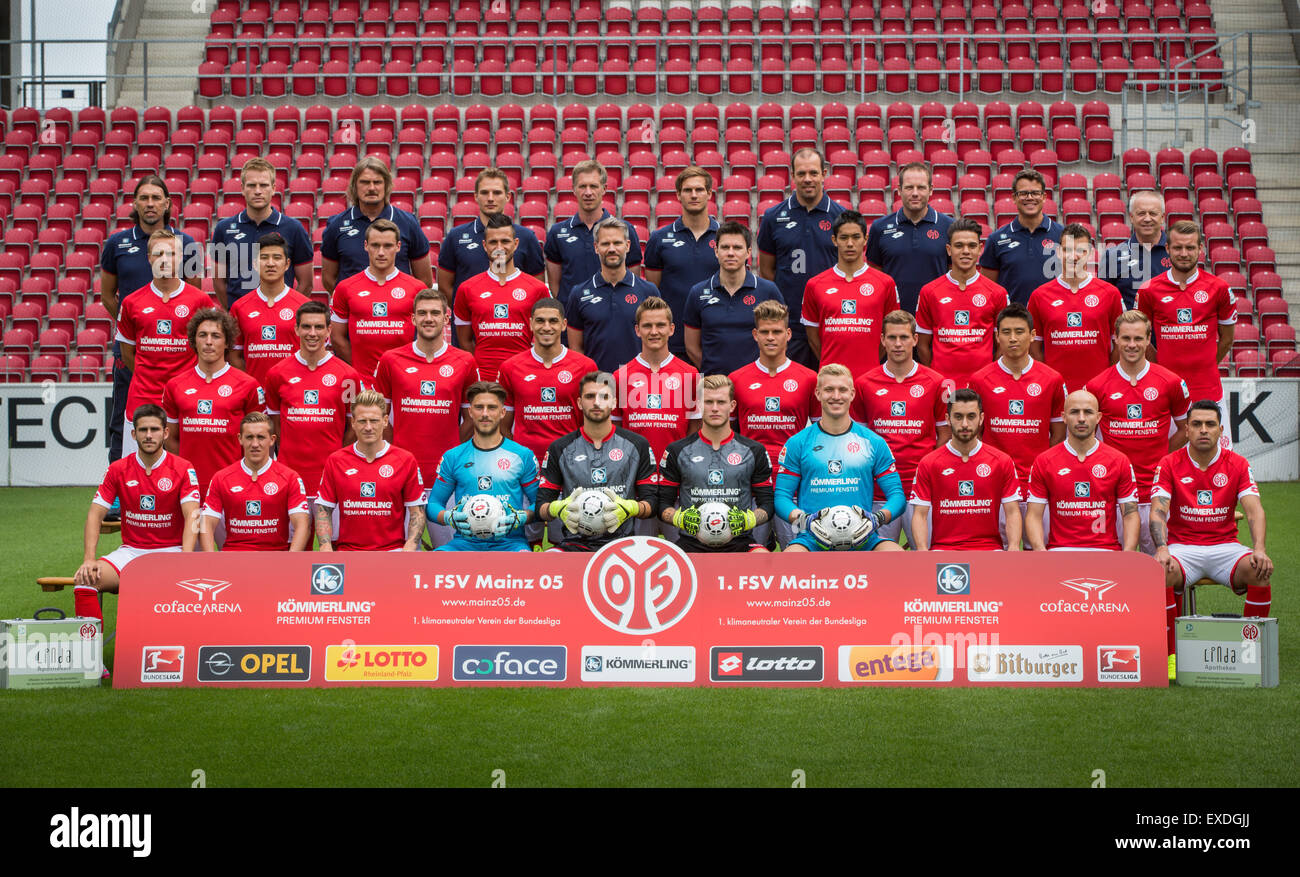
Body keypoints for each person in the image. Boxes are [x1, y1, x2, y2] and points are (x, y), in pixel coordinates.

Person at [1151, 401, 1272, 677]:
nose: (1203, 430)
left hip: (1225, 548)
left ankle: (1252, 651)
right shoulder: (1169, 463)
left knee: (1261, 571)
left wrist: (1260, 549)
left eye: (1210, 424)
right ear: (1186, 429)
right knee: (1160, 571)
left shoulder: (1238, 464)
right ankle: (1170, 656)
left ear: (1220, 430)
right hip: (1183, 548)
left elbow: (1253, 510)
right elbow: (1158, 511)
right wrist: (1161, 548)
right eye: (1196, 424)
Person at [100, 175, 200, 465]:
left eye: (157, 198)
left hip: (178, 356)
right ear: (134, 203)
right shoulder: (117, 243)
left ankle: (183, 484)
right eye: (144, 198)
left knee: (182, 424)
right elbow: (108, 295)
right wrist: (137, 329)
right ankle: (118, 490)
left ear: (168, 203)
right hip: (134, 351)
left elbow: (194, 297)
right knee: (124, 420)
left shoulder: (187, 243)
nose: (150, 203)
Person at [72, 405, 200, 626]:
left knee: (182, 590)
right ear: (134, 434)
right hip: (130, 553)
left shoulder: (183, 468)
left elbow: (192, 515)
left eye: (154, 429)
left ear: (165, 432)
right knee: (85, 582)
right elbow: (95, 515)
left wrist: (186, 558)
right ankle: (90, 659)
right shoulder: (118, 469)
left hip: (171, 552)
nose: (148, 435)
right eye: (142, 430)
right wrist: (89, 559)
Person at [1085, 310, 1191, 555]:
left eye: (1138, 338)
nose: (1132, 345)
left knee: (1163, 567)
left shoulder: (1171, 382)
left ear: (1148, 339)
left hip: (1158, 491)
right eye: (1125, 338)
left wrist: (1165, 455)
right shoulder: (1096, 385)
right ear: (1115, 339)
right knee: (1117, 568)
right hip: (1114, 496)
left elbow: (1187, 428)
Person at [497, 298, 598, 546]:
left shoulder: (585, 366)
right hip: (526, 470)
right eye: (540, 321)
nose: (546, 327)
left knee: (566, 541)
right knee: (523, 541)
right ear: (530, 324)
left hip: (570, 469)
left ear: (564, 324)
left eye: (553, 321)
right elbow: (504, 425)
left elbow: (592, 422)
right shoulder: (511, 367)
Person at [775, 364, 905, 552]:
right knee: (789, 559)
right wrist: (804, 521)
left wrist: (877, 519)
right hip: (812, 538)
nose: (836, 396)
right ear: (818, 394)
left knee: (897, 556)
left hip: (863, 537)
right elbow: (781, 497)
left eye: (842, 390)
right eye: (829, 390)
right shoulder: (798, 443)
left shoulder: (873, 442)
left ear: (852, 394)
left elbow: (897, 496)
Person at [850, 310, 950, 547]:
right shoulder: (864, 383)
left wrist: (928, 474)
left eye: (904, 337)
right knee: (879, 562)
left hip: (921, 490)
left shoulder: (937, 382)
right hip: (879, 491)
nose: (897, 344)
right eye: (892, 337)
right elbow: (859, 440)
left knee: (927, 556)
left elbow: (945, 435)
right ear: (882, 340)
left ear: (915, 339)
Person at [968, 303, 1067, 544]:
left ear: (1033, 335)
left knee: (1039, 553)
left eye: (1020, 332)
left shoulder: (1052, 379)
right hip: (994, 484)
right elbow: (973, 435)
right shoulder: (980, 379)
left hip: (1038, 484)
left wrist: (1043, 470)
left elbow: (1058, 434)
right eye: (1006, 332)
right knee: (999, 555)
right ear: (997, 336)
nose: (1013, 338)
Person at [728, 300, 820, 548]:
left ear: (788, 334)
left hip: (792, 485)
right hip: (750, 484)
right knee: (749, 554)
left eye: (777, 331)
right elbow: (730, 435)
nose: (771, 338)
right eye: (765, 332)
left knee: (796, 553)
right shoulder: (737, 379)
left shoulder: (809, 378)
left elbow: (820, 434)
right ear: (755, 335)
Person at [114, 230, 213, 456]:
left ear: (181, 258)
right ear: (149, 257)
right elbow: (128, 353)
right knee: (138, 473)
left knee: (188, 470)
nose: (165, 259)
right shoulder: (131, 303)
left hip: (186, 398)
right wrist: (148, 376)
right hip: (143, 397)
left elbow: (210, 351)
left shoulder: (200, 300)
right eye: (159, 254)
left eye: (171, 253)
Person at [536, 372, 658, 551]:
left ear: (614, 402)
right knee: (543, 565)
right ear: (579, 402)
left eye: (604, 396)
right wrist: (557, 509)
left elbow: (652, 503)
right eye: (590, 396)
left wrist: (631, 508)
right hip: (574, 544)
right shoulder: (560, 448)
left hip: (623, 545)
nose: (596, 402)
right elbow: (541, 506)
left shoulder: (637, 445)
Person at [373, 289, 479, 493]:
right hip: (401, 467)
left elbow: (472, 418)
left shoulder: (465, 361)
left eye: (434, 313)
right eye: (422, 313)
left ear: (446, 318)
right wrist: (395, 450)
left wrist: (453, 450)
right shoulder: (390, 360)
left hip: (448, 469)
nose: (428, 319)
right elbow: (378, 416)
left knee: (447, 525)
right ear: (413, 318)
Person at [263, 302, 364, 514]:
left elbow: (352, 427)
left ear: (329, 330)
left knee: (334, 544)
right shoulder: (277, 374)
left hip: (332, 475)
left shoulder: (348, 375)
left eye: (319, 327)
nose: (312, 333)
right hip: (290, 476)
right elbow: (274, 425)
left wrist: (337, 459)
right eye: (306, 327)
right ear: (296, 329)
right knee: (294, 545)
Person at [1137, 219, 1235, 433]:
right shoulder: (1149, 290)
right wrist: (1161, 366)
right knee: (1167, 460)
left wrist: (1206, 364)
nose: (1183, 253)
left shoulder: (1219, 289)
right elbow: (1139, 339)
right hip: (1165, 392)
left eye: (1190, 247)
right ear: (1167, 249)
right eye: (1178, 247)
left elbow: (1227, 339)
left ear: (1200, 249)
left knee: (1215, 461)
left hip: (1208, 390)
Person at [658, 375, 774, 553]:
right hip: (691, 542)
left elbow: (767, 504)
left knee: (764, 558)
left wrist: (748, 519)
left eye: (721, 402)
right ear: (698, 405)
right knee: (666, 562)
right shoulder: (677, 450)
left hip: (740, 541)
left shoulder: (753, 450)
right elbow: (662, 504)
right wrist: (679, 518)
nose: (714, 408)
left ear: (732, 406)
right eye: (708, 402)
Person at [160, 308, 265, 501]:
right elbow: (171, 438)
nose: (209, 341)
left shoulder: (248, 385)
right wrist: (185, 475)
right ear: (194, 340)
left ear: (227, 343)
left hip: (233, 486)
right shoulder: (175, 385)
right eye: (203, 335)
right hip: (189, 488)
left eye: (216, 336)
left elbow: (258, 442)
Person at [757, 147, 848, 368]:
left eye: (814, 173)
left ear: (824, 174)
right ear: (793, 175)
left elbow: (849, 267)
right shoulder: (773, 216)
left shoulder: (840, 216)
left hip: (830, 321)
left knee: (831, 389)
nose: (808, 179)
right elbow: (767, 270)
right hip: (791, 322)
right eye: (801, 174)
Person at [426, 382, 539, 553]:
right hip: (464, 544)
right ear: (470, 412)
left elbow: (539, 503)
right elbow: (433, 504)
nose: (485, 414)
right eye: (479, 407)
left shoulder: (522, 455)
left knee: (528, 565)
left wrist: (521, 517)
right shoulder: (453, 456)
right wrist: (449, 517)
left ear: (502, 413)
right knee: (433, 563)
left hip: (510, 544)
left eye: (492, 407)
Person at [1025, 389, 1140, 551]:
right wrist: (1040, 551)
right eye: (1074, 412)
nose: (1081, 418)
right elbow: (1034, 515)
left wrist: (1128, 553)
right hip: (1060, 550)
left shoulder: (1119, 461)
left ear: (1099, 417)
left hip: (1106, 550)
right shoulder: (1044, 461)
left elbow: (1130, 514)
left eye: (1088, 412)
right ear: (1063, 417)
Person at [910, 388, 1022, 551]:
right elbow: (920, 514)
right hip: (943, 550)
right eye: (958, 416)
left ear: (981, 418)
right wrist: (921, 550)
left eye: (971, 416)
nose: (964, 424)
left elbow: (1012, 512)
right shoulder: (929, 463)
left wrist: (1013, 547)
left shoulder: (1001, 461)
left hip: (990, 549)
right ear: (948, 419)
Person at [314, 390, 425, 552]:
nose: (368, 427)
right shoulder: (336, 460)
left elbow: (417, 512)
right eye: (362, 421)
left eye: (374, 421)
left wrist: (410, 547)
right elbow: (324, 509)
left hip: (392, 551)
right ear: (353, 423)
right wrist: (325, 546)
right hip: (349, 552)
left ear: (385, 421)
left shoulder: (405, 460)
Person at [452, 213, 551, 381]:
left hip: (524, 377)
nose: (499, 247)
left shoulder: (537, 289)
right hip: (483, 380)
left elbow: (546, 337)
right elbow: (465, 342)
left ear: (515, 244)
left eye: (505, 241)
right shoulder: (467, 289)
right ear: (484, 245)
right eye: (493, 242)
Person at [801, 210, 900, 378]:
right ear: (834, 240)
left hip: (871, 376)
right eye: (844, 238)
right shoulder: (815, 284)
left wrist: (872, 361)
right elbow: (813, 338)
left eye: (855, 237)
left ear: (865, 240)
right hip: (830, 379)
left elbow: (892, 332)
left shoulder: (885, 283)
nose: (850, 244)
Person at [1026, 222, 1124, 392]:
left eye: (1081, 251)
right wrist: (1048, 381)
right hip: (1055, 389)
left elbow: (1119, 345)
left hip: (1099, 388)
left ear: (1091, 254)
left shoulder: (1110, 293)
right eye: (1067, 250)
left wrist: (1107, 379)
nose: (1074, 256)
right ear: (1058, 252)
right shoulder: (1040, 295)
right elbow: (1034, 350)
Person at [916, 218, 1009, 388]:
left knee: (979, 415)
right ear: (949, 250)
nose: (966, 251)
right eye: (959, 246)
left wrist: (990, 374)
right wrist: (936, 376)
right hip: (944, 383)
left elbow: (1002, 343)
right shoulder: (929, 291)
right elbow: (922, 344)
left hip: (984, 383)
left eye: (972, 246)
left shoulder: (997, 293)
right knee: (947, 415)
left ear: (980, 250)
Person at [199, 411, 311, 551]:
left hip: (274, 559)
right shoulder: (221, 477)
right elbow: (206, 522)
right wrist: (211, 561)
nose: (255, 444)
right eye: (249, 437)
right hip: (234, 558)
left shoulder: (290, 477)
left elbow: (302, 525)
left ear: (272, 439)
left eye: (261, 437)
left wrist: (289, 561)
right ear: (240, 439)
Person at [683, 221, 783, 377]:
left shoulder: (768, 291)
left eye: (737, 247)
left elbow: (780, 340)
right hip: (714, 386)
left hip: (756, 382)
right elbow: (691, 346)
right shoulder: (697, 292)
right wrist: (716, 376)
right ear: (716, 251)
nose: (730, 253)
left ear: (748, 252)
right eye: (725, 247)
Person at [211, 157, 314, 307]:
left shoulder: (294, 228)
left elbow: (306, 283)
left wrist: (289, 312)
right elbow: (219, 281)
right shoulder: (223, 228)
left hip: (281, 320)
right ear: (242, 188)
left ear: (273, 188)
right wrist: (233, 313)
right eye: (252, 185)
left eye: (263, 185)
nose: (258, 191)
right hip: (239, 321)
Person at [437, 167, 546, 308]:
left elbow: (536, 288)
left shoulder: (527, 237)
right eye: (484, 193)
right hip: (469, 326)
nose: (490, 198)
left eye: (496, 193)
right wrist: (471, 311)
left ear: (508, 196)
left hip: (514, 326)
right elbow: (445, 287)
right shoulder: (456, 237)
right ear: (475, 196)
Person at [321, 156, 432, 293]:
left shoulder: (408, 222)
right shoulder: (336, 225)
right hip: (355, 311)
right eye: (365, 182)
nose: (372, 188)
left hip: (398, 309)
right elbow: (328, 279)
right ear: (355, 185)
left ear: (386, 185)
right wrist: (353, 299)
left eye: (377, 182)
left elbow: (424, 280)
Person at [564, 217, 661, 373]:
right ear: (596, 247)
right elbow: (576, 348)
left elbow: (658, 342)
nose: (611, 249)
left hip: (638, 382)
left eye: (617, 243)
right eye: (605, 244)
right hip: (598, 384)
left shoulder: (648, 291)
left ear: (627, 246)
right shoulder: (578, 293)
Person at [611, 297, 701, 465]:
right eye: (647, 326)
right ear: (637, 330)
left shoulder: (691, 374)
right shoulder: (619, 376)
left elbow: (694, 430)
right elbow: (616, 431)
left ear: (671, 329)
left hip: (675, 473)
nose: (654, 332)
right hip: (635, 473)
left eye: (660, 325)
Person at [643, 166, 720, 358]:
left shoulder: (725, 237)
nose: (694, 195)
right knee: (681, 389)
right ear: (678, 194)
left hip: (716, 336)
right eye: (687, 190)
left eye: (699, 189)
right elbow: (654, 291)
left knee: (715, 388)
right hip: (673, 339)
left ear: (709, 193)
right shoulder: (659, 238)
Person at [329, 218, 421, 378]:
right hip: (361, 380)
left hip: (403, 378)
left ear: (398, 247)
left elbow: (425, 337)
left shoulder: (416, 288)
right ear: (365, 246)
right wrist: (356, 372)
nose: (380, 252)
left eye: (388, 246)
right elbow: (337, 337)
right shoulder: (345, 287)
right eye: (375, 245)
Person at [545, 159, 643, 304]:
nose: (588, 192)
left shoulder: (625, 229)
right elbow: (555, 285)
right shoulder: (557, 232)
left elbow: (633, 278)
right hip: (572, 316)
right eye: (582, 186)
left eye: (594, 186)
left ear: (604, 189)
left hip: (612, 314)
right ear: (573, 189)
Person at [866, 161, 955, 313]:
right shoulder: (879, 228)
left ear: (931, 190)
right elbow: (875, 275)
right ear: (899, 190)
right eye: (909, 187)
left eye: (921, 187)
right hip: (894, 318)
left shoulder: (949, 227)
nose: (915, 193)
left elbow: (954, 273)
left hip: (937, 314)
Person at [228, 231, 312, 385]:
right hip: (256, 396)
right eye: (264, 258)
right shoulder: (239, 307)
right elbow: (234, 355)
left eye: (277, 258)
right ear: (254, 264)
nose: (270, 263)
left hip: (294, 393)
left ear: (287, 264)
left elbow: (314, 354)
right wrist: (250, 386)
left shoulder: (304, 306)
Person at [978, 168, 1063, 306]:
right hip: (1012, 321)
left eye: (1035, 193)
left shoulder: (1064, 236)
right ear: (1014, 198)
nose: (1029, 198)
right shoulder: (996, 239)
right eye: (1023, 193)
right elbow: (987, 289)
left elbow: (1074, 282)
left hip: (1053, 320)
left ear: (1044, 197)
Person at [1099, 189, 1170, 310]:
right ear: (1131, 217)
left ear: (1162, 217)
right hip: (1131, 328)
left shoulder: (1178, 253)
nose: (1147, 219)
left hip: (1169, 327)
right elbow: (1103, 300)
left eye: (1153, 213)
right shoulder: (1113, 256)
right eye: (1141, 213)